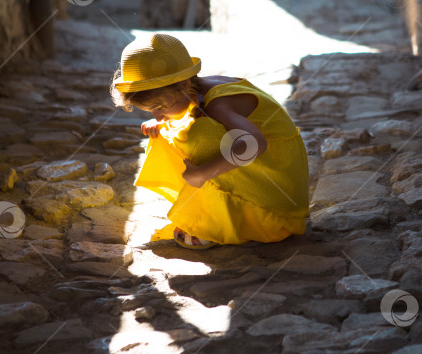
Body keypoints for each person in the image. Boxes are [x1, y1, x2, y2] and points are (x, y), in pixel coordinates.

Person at [110, 33, 310, 250]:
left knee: (199, 137)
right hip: (274, 186)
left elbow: (254, 144)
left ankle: (218, 225)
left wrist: (202, 173)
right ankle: (214, 210)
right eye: (152, 110)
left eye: (161, 108)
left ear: (184, 85)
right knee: (167, 133)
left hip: (277, 214)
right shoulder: (198, 91)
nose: (157, 115)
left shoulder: (218, 103)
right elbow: (190, 113)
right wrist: (165, 120)